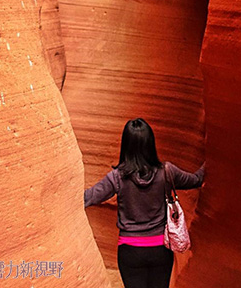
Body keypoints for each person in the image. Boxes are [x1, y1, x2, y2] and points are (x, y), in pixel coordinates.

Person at [84, 118, 205, 288]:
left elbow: (88, 197)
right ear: (150, 143)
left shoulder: (117, 177)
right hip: (160, 250)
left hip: (130, 250)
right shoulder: (167, 172)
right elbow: (197, 180)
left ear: (125, 145)